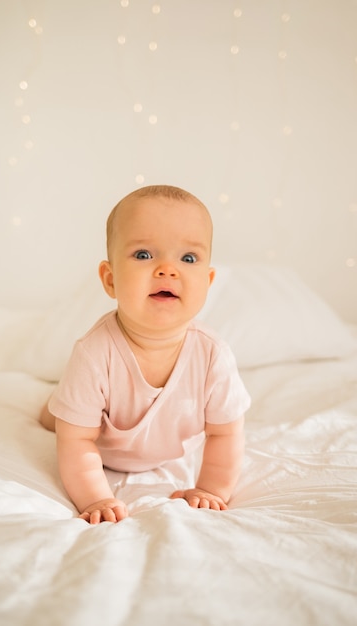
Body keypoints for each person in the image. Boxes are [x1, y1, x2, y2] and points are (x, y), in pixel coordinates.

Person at [40, 184, 251, 524]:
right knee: (61, 419)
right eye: (143, 255)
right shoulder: (94, 353)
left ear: (208, 282)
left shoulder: (213, 355)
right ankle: (54, 406)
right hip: (104, 445)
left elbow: (225, 432)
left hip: (164, 447)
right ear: (110, 280)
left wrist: (211, 489)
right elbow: (76, 441)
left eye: (188, 258)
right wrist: (96, 498)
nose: (168, 269)